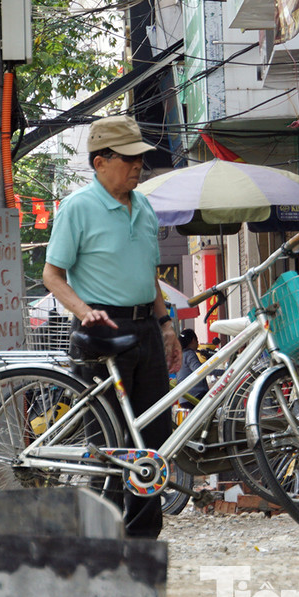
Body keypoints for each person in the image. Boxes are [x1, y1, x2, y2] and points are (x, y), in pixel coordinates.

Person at [42, 114, 183, 539]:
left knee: (153, 437)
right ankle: (104, 536)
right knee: (107, 442)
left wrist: (166, 324)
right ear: (100, 162)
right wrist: (83, 311)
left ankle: (142, 538)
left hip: (145, 328)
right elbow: (52, 275)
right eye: (128, 159)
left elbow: (148, 274)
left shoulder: (142, 207)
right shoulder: (78, 207)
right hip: (101, 327)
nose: (138, 165)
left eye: (140, 158)